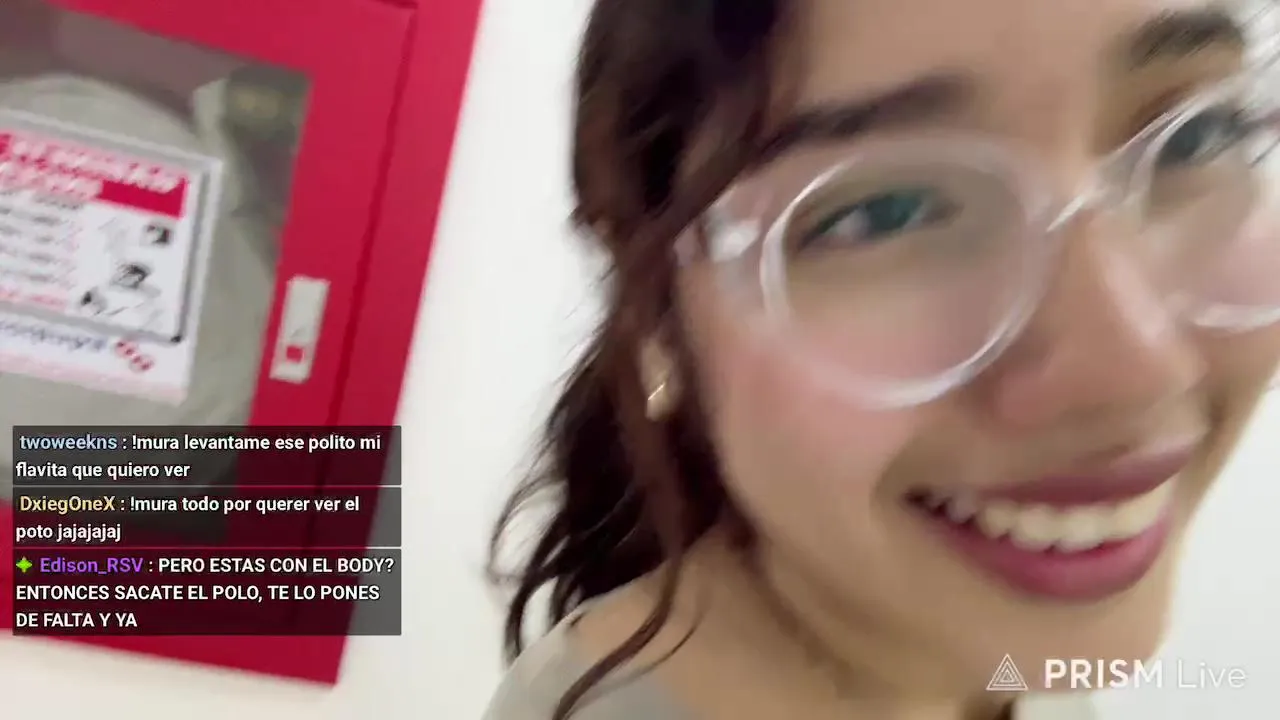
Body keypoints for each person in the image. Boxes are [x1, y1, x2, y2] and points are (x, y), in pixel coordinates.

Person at [485, 0, 1280, 718]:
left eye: (1201, 137)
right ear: (649, 313)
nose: (1138, 373)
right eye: (887, 211)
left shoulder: (996, 648)